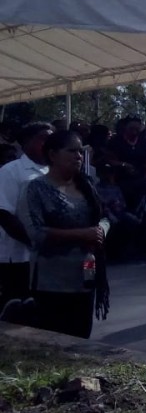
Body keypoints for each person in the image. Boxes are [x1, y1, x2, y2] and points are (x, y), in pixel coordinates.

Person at [14, 130, 110, 339]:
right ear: (52, 155)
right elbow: (36, 233)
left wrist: (101, 230)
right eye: (72, 151)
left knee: (81, 338)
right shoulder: (36, 188)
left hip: (85, 277)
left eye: (80, 151)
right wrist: (83, 235)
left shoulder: (86, 185)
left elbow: (105, 217)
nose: (79, 156)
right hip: (52, 281)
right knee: (55, 341)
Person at [0, 122, 52, 309]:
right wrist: (34, 240)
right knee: (15, 307)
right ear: (26, 142)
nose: (49, 143)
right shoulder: (11, 171)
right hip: (17, 256)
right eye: (44, 138)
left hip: (46, 256)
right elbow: (4, 214)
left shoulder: (52, 172)